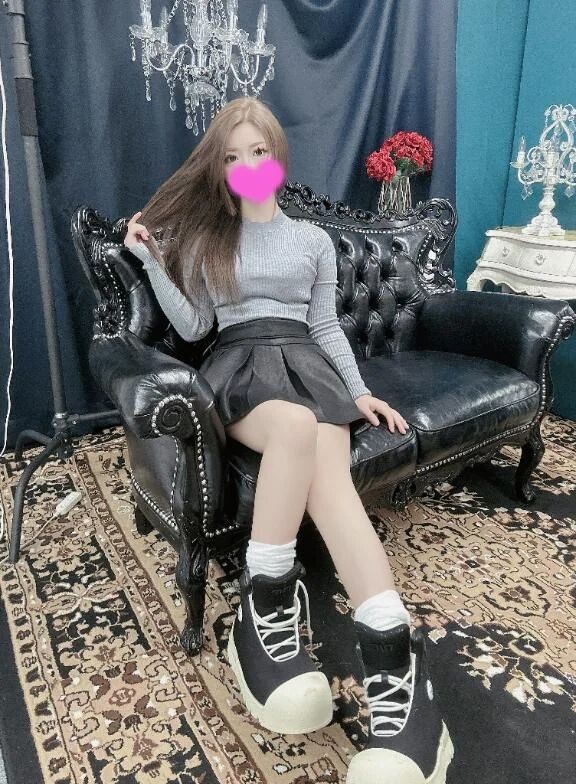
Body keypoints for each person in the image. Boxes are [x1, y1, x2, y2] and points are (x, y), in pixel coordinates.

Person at [123, 96, 454, 784]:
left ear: (277, 157)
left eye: (259, 152)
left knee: (335, 494)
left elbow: (326, 326)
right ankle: (266, 603)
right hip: (238, 367)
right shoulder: (209, 238)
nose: (248, 165)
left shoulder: (312, 242)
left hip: (306, 362)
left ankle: (397, 668)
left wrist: (358, 393)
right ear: (220, 169)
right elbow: (193, 328)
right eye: (232, 156)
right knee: (296, 425)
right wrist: (153, 260)